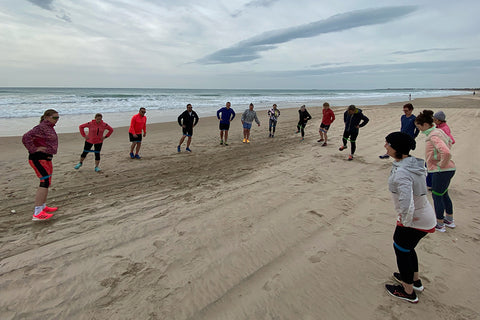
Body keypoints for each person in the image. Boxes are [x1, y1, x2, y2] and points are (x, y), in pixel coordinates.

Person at [383, 132, 436, 303]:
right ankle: (415, 281)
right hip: (424, 214)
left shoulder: (403, 172)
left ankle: (407, 290)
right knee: (407, 248)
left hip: (415, 219)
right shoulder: (412, 163)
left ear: (397, 149)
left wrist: (405, 223)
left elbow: (407, 202)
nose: (385, 146)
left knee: (401, 248)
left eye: (388, 144)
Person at [415, 110, 456, 232]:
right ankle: (449, 219)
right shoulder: (439, 131)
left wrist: (440, 165)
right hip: (448, 169)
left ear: (426, 124)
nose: (420, 130)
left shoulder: (433, 135)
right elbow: (449, 142)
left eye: (419, 127)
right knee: (444, 194)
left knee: (437, 196)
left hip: (441, 171)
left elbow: (447, 152)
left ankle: (440, 224)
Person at [22, 109, 60, 221]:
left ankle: (43, 207)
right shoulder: (41, 127)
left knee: (47, 182)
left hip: (46, 158)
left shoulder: (49, 127)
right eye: (55, 117)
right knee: (44, 182)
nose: (57, 120)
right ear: (47, 117)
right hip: (38, 159)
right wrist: (34, 149)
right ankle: (37, 213)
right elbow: (26, 137)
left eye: (58, 117)